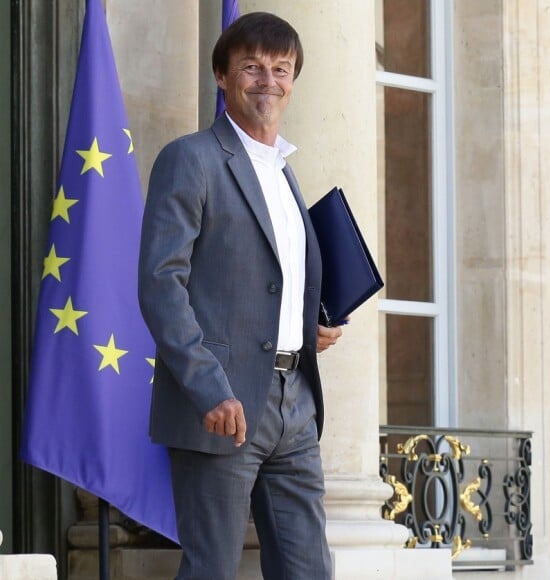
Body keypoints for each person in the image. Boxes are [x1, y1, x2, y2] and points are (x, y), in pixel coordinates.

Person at [138, 11, 343, 580]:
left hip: (295, 402)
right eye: (251, 67)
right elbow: (160, 284)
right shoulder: (191, 158)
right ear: (222, 77)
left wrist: (309, 327)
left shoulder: (284, 173)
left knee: (308, 571)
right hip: (220, 406)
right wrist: (208, 388)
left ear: (294, 81)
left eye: (281, 69)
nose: (267, 81)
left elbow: (267, 282)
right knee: (212, 570)